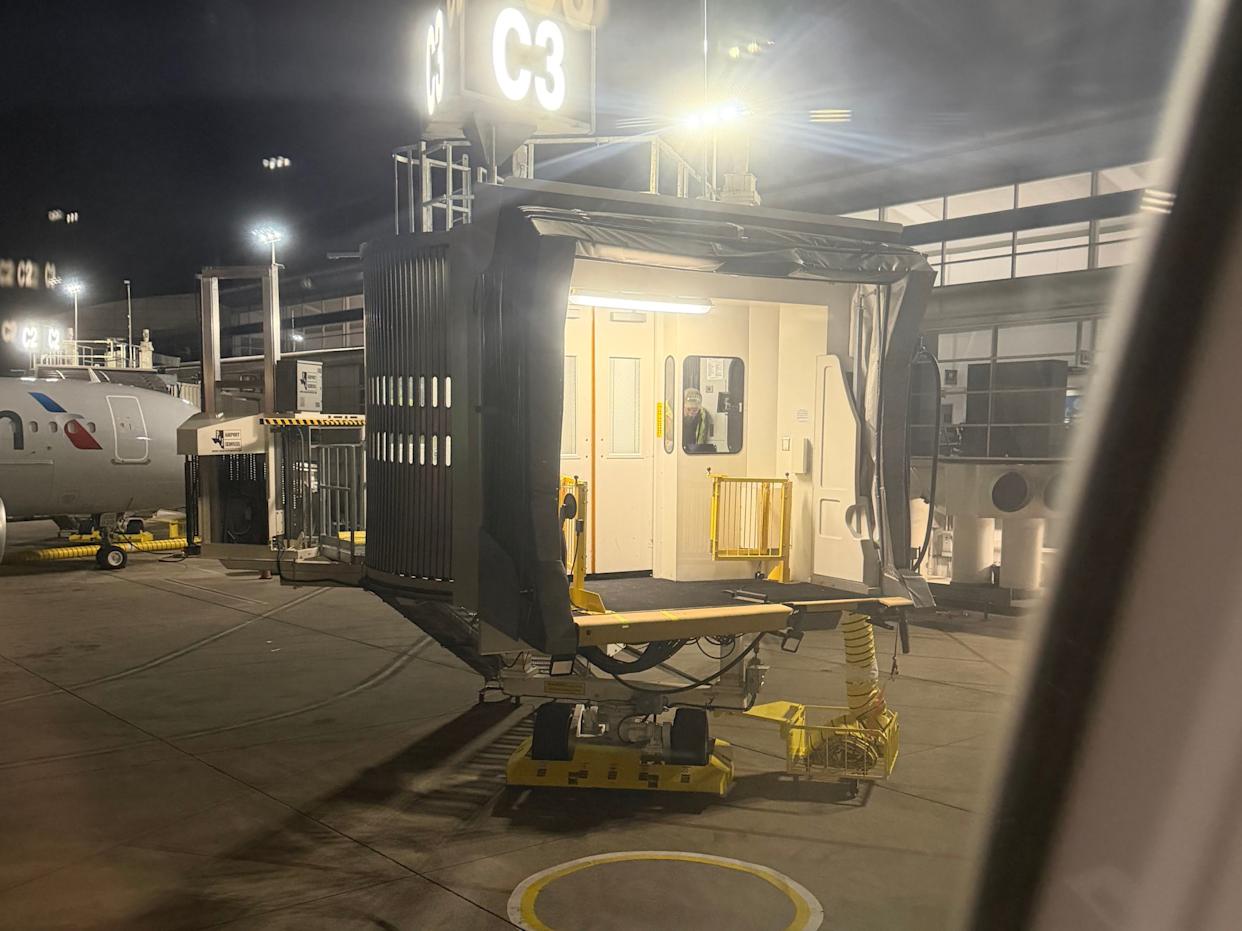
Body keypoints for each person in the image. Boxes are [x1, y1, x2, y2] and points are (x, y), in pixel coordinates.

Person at [683, 388, 714, 452]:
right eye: (688, 409)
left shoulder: (704, 416)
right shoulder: (672, 415)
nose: (691, 413)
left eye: (695, 410)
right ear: (682, 406)